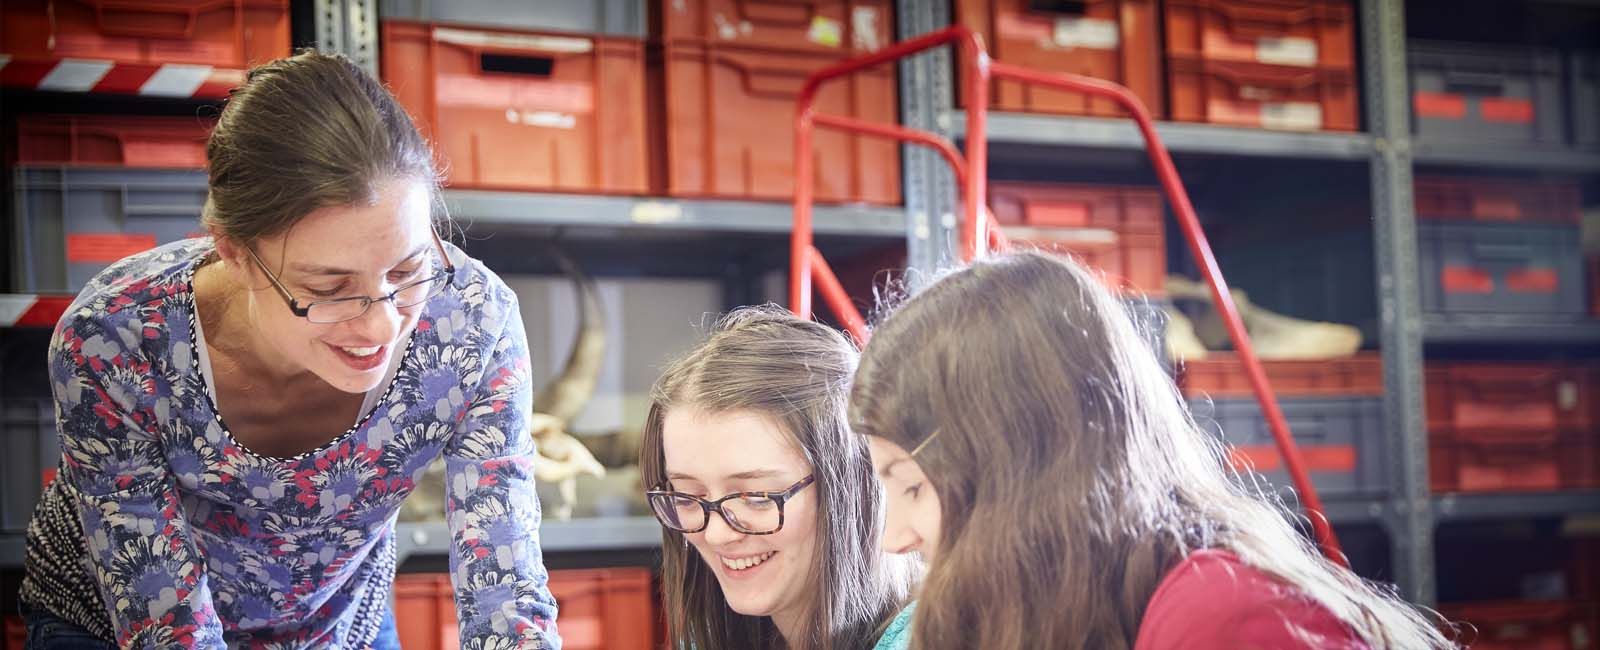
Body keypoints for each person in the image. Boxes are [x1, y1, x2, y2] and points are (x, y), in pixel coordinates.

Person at [18, 52, 561, 649]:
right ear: (235, 253)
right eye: (329, 288)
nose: (382, 325)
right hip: (107, 619)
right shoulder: (115, 338)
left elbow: (506, 588)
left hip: (335, 617)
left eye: (408, 270)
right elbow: (167, 625)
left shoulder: (473, 323)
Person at [849, 251, 1455, 650]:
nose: (892, 537)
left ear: (1024, 464)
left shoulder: (1221, 617)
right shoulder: (1070, 603)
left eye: (913, 485)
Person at [639, 306, 919, 650]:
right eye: (687, 496)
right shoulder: (708, 639)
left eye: (756, 496)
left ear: (854, 486)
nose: (716, 535)